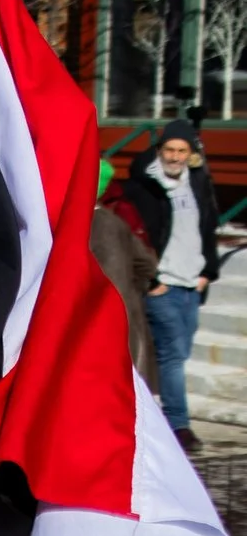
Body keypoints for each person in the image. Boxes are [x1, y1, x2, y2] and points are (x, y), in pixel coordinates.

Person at [127, 119, 223, 453]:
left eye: (182, 151)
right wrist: (151, 279)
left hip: (191, 283)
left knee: (176, 354)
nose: (175, 157)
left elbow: (208, 226)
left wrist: (207, 272)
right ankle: (179, 425)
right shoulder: (145, 185)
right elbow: (135, 234)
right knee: (171, 357)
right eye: (169, 149)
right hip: (163, 284)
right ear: (160, 150)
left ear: (191, 154)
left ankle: (151, 419)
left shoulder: (197, 182)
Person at [93, 162, 160, 398]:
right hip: (126, 315)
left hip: (102, 323)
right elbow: (147, 265)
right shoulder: (115, 222)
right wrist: (134, 289)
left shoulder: (86, 225)